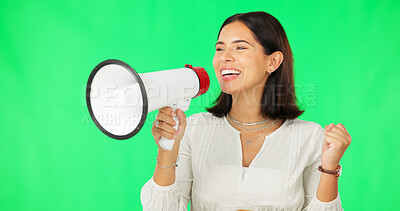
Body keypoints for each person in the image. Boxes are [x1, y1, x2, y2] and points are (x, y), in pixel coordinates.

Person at [140, 11, 352, 211]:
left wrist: (330, 168)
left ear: (273, 61)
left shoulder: (309, 137)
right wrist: (167, 149)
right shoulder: (194, 129)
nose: (225, 57)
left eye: (239, 48)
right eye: (220, 48)